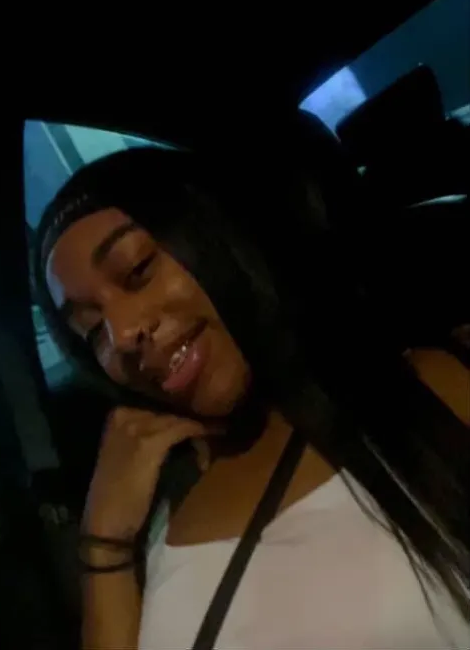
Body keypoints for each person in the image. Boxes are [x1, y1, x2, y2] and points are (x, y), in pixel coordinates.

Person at [34, 145, 469, 649]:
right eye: (92, 330)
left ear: (217, 237)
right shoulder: (153, 513)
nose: (123, 333)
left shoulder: (424, 391)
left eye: (138, 270)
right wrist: (105, 541)